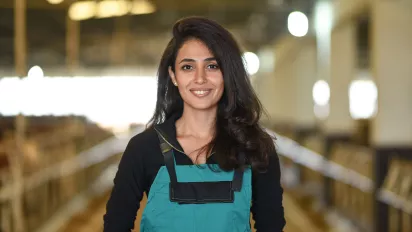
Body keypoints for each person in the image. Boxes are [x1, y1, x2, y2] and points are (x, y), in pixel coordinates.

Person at [103, 16, 285, 232]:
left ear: (228, 74)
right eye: (188, 67)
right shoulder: (143, 149)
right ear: (173, 75)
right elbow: (115, 226)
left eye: (212, 66)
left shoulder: (254, 148)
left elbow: (271, 227)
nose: (200, 78)